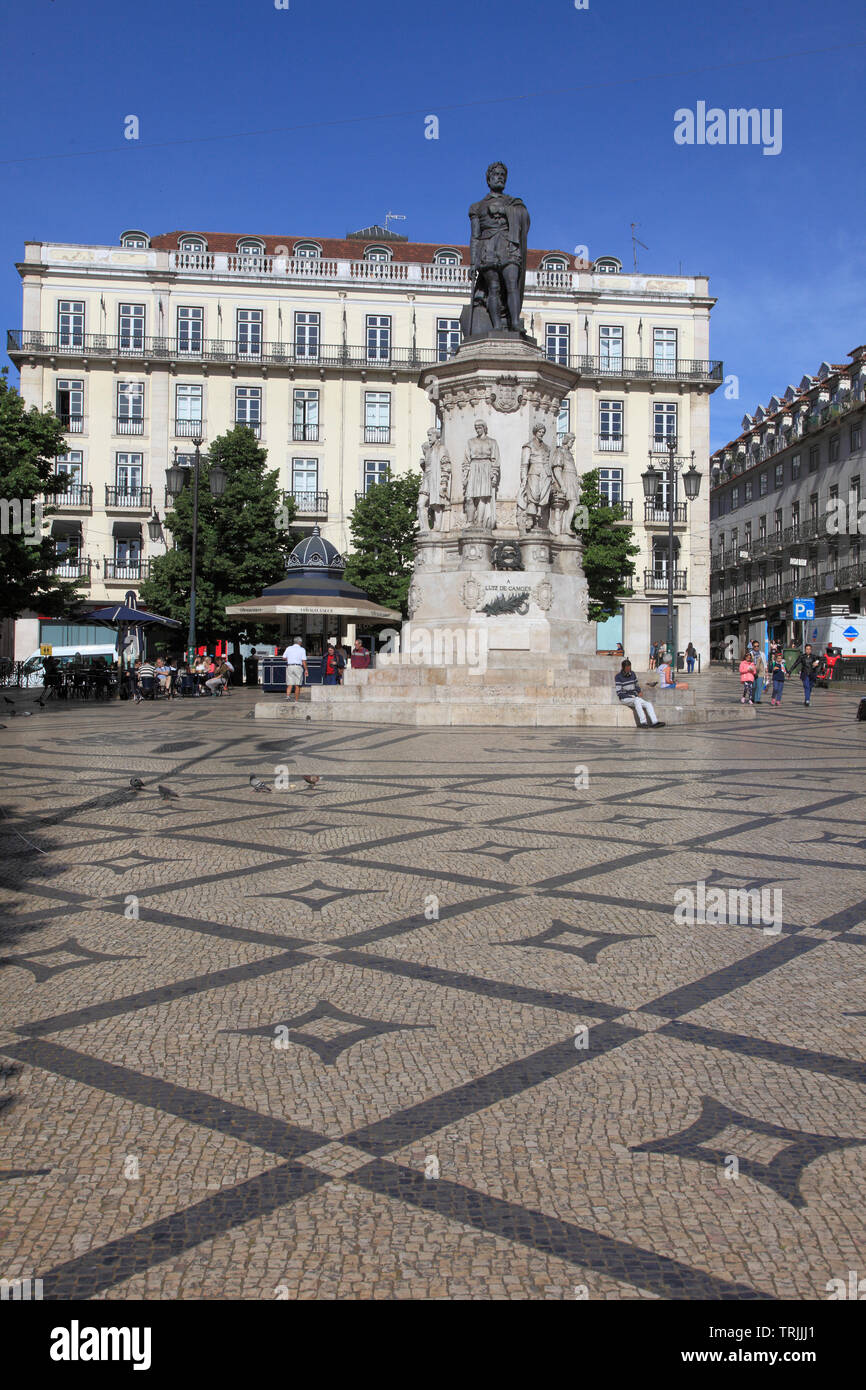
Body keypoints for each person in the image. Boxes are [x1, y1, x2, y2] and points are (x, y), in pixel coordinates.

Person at [614, 659, 665, 728]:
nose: (629, 670)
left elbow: (636, 685)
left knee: (648, 704)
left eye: (630, 668)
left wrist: (639, 691)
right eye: (627, 668)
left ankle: (655, 722)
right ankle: (643, 722)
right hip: (625, 698)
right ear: (623, 668)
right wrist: (630, 696)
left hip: (634, 697)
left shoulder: (632, 674)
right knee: (637, 700)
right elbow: (619, 692)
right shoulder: (618, 677)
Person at [282, 636, 308, 702]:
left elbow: (284, 657)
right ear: (300, 642)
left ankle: (288, 696)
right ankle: (296, 700)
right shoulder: (302, 649)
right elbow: (304, 661)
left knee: (289, 683)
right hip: (298, 667)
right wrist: (306, 670)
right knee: (297, 684)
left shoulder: (288, 648)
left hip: (290, 666)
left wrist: (290, 659)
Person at [750, 640, 767, 704]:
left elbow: (764, 663)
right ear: (752, 646)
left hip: (760, 671)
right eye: (755, 646)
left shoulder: (762, 654)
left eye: (758, 646)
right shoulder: (750, 654)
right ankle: (753, 698)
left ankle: (758, 699)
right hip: (752, 672)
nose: (756, 647)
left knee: (759, 686)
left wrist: (766, 670)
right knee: (753, 686)